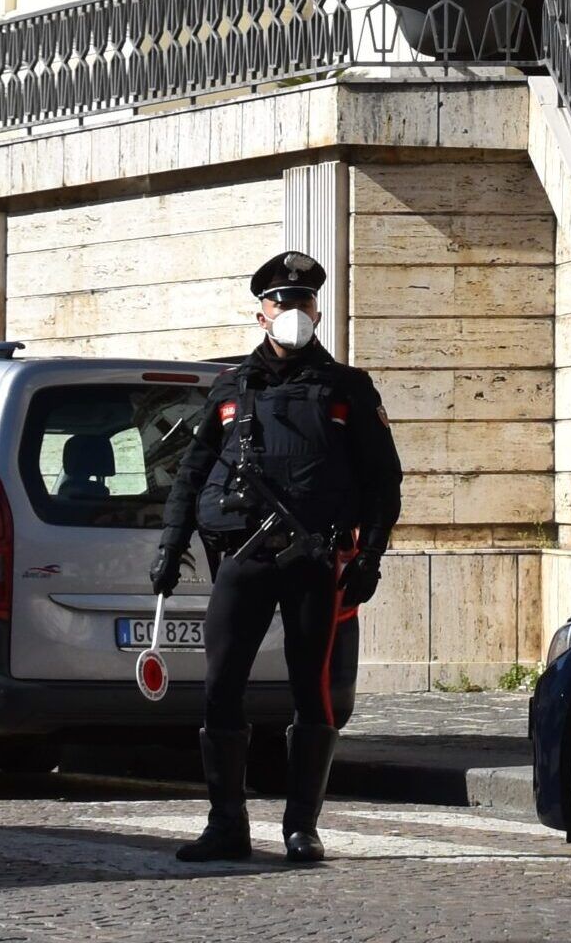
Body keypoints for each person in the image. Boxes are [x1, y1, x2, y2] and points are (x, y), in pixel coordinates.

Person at [149, 251, 403, 864]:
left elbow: (383, 480)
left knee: (311, 692)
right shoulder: (233, 387)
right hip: (244, 558)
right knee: (220, 688)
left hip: (315, 562)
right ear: (261, 313)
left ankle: (301, 827)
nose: (293, 311)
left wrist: (369, 556)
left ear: (317, 309)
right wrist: (171, 547)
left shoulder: (346, 389)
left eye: (303, 301)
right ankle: (226, 825)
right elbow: (191, 472)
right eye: (282, 302)